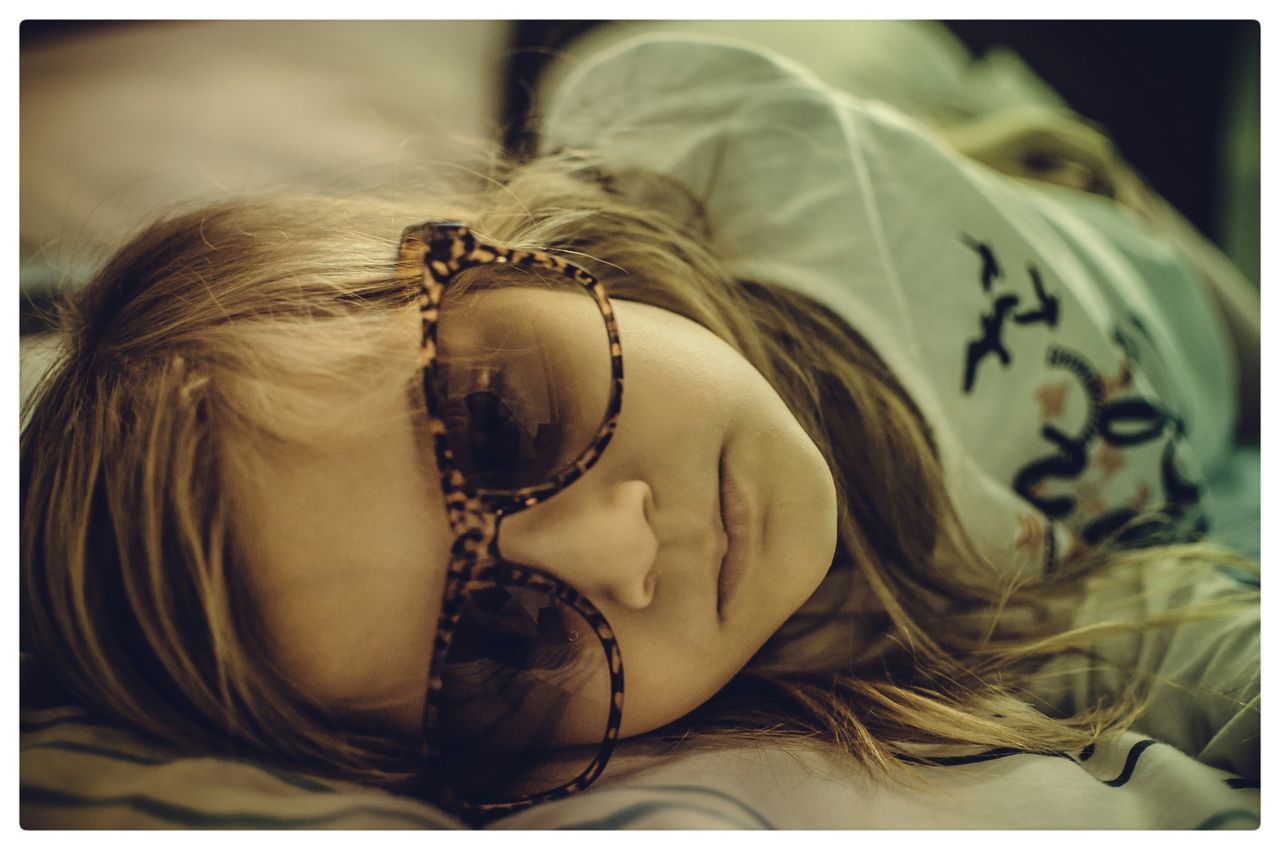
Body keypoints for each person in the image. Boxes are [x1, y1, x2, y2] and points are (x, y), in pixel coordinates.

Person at [19, 30, 1258, 822]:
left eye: (497, 421)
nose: (620, 552)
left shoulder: (720, 129)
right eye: (498, 652)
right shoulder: (922, 659)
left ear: (489, 251)